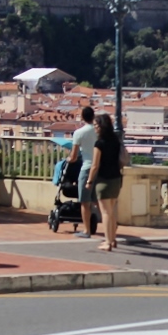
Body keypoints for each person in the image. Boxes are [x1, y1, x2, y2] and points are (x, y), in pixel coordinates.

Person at [89, 112, 124, 252]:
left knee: (105, 213)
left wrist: (89, 181)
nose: (95, 128)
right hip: (116, 178)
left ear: (101, 126)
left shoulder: (99, 144)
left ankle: (108, 242)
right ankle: (113, 239)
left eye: (96, 125)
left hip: (103, 180)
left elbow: (95, 165)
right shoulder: (116, 140)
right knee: (112, 211)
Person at [68, 106, 98, 238]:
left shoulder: (79, 133)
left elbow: (74, 157)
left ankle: (87, 230)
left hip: (87, 168)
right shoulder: (99, 131)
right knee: (101, 201)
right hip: (101, 169)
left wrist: (68, 159)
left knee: (85, 202)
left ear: (82, 117)